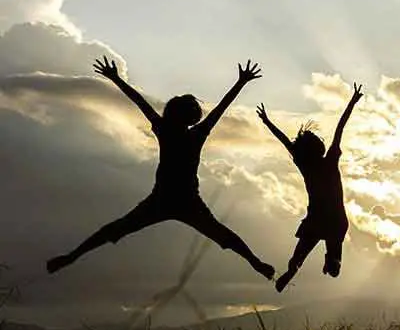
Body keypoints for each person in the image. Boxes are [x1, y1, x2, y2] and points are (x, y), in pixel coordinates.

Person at [46, 56, 275, 279]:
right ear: (191, 116)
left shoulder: (167, 129)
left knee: (115, 229)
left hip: (170, 200)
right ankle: (256, 263)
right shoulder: (193, 133)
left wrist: (115, 78)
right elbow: (218, 109)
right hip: (178, 200)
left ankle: (72, 256)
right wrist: (240, 83)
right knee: (222, 235)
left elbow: (140, 101)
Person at [257, 83, 363, 292]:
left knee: (298, 256)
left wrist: (267, 121)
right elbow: (340, 128)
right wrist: (352, 101)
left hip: (315, 220)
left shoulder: (306, 165)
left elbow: (285, 142)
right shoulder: (330, 161)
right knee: (334, 263)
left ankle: (292, 271)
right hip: (335, 221)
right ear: (319, 149)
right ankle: (331, 261)